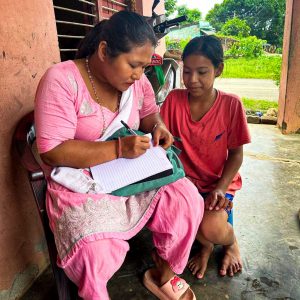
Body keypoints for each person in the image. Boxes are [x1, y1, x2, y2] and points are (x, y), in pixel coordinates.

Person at [34, 11, 203, 300]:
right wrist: (117, 149)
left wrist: (159, 128)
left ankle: (162, 274)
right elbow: (52, 151)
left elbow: (149, 113)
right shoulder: (61, 80)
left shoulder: (136, 83)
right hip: (82, 180)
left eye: (144, 66)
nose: (139, 75)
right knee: (96, 249)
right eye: (134, 65)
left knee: (186, 200)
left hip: (130, 171)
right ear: (103, 51)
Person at [160, 35, 251, 279]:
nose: (192, 80)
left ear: (218, 69)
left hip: (217, 186)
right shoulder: (172, 101)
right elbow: (163, 149)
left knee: (211, 227)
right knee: (166, 219)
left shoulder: (231, 105)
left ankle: (230, 243)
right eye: (186, 71)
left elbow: (236, 155)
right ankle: (207, 247)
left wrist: (221, 189)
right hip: (183, 184)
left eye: (202, 72)